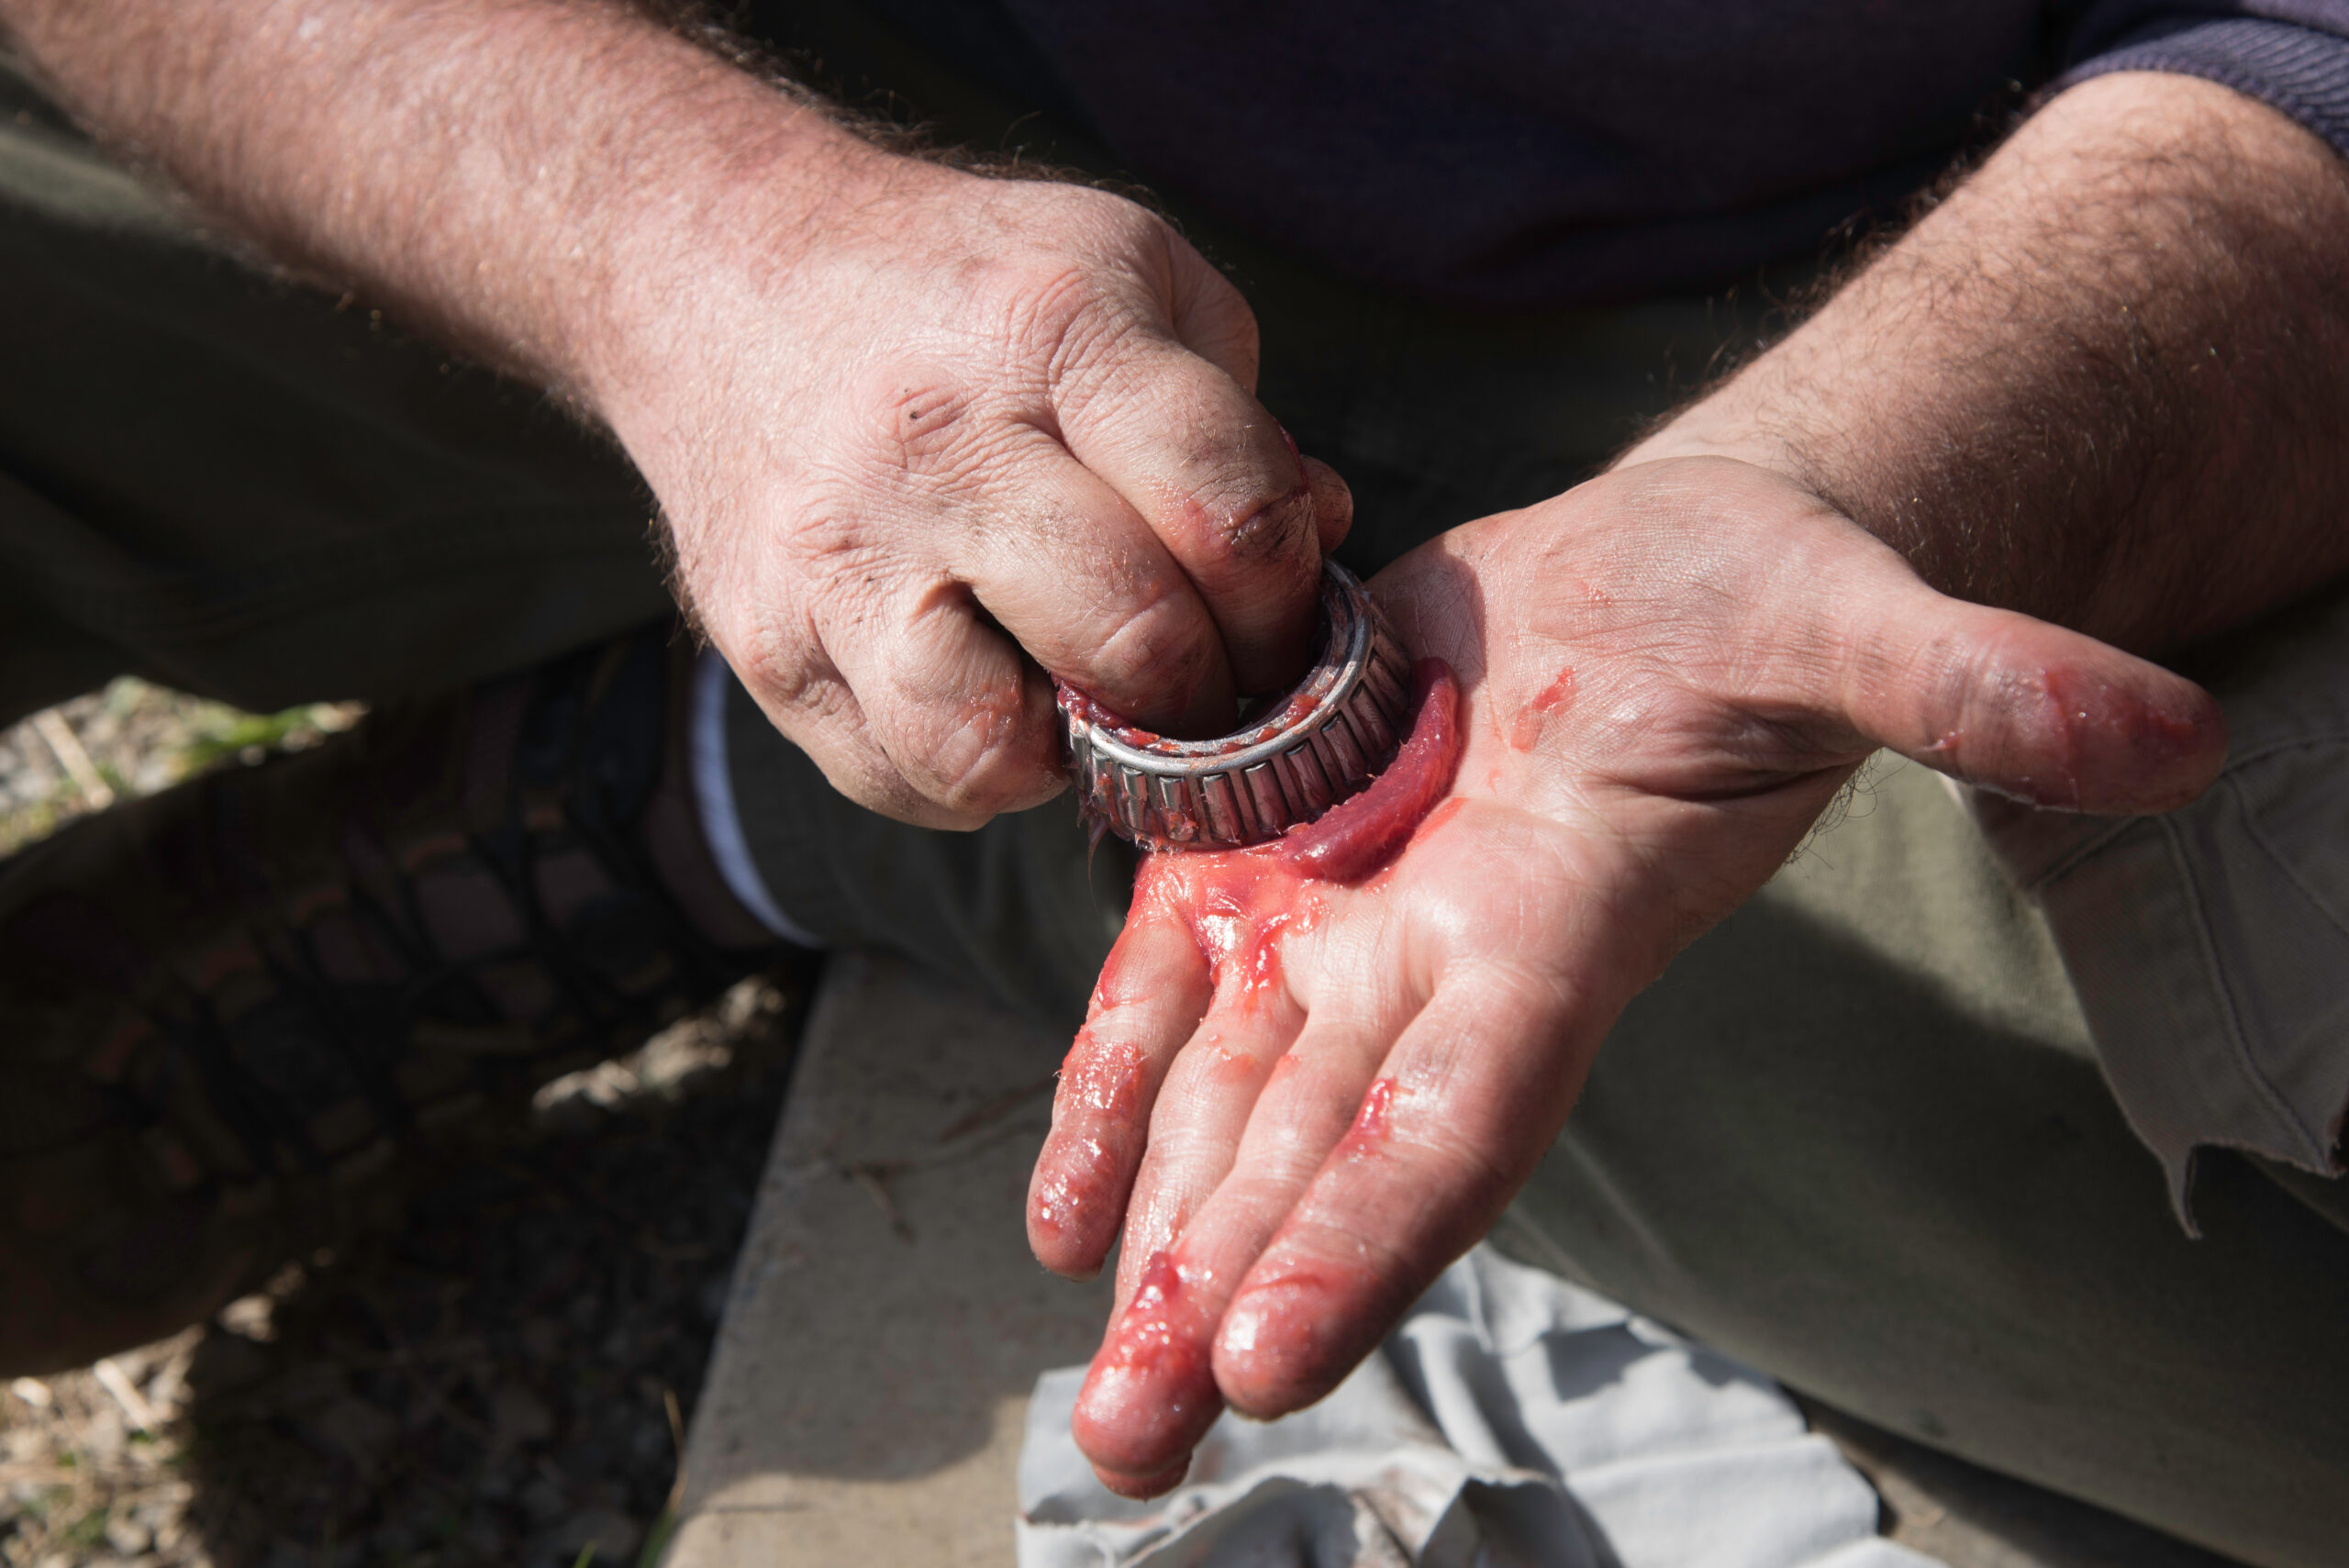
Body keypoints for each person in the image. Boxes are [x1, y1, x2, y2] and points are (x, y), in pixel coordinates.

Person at [2, 2, 2346, 1560]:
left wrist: (1872, 466)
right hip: (741, 72)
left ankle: (746, 785)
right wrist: (685, 243)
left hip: (2025, 243)